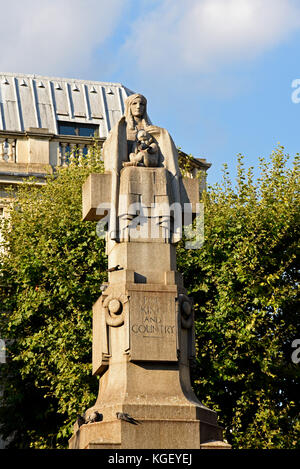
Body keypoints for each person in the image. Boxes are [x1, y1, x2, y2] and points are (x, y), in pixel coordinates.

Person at [102, 93, 182, 242]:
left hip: (151, 167)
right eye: (135, 104)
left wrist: (161, 134)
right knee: (129, 172)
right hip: (131, 169)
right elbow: (108, 149)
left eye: (142, 104)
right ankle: (127, 220)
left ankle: (164, 221)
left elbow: (164, 149)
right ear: (129, 106)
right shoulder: (122, 127)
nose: (138, 107)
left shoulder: (152, 129)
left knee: (163, 173)